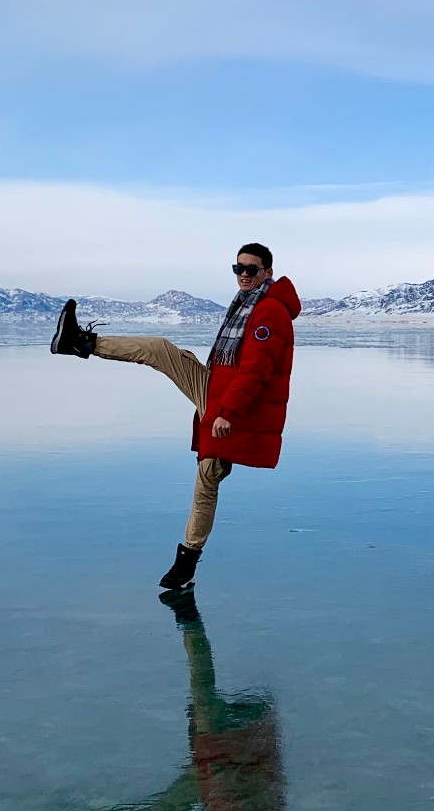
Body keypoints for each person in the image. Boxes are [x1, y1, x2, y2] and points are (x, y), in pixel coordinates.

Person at [48, 243, 301, 591]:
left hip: (236, 407)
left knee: (208, 476)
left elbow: (257, 370)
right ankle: (80, 343)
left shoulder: (269, 312)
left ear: (267, 273)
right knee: (161, 350)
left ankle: (187, 562)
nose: (244, 274)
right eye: (238, 268)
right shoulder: (249, 304)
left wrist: (227, 413)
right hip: (217, 390)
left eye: (252, 269)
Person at [43, 608, 291, 811]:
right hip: (230, 758)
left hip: (226, 766)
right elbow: (262, 802)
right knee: (201, 683)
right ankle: (188, 615)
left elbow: (261, 802)